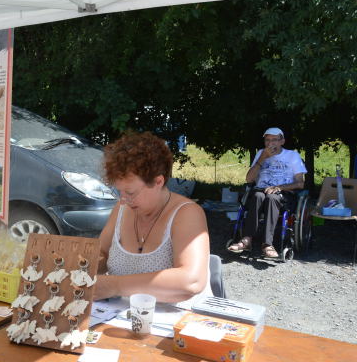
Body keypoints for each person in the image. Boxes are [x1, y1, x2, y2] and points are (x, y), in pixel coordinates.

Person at [94, 132, 212, 307]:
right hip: (124, 319)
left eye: (131, 192)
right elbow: (102, 253)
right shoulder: (122, 208)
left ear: (158, 181)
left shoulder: (187, 213)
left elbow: (191, 281)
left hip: (179, 325)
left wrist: (114, 285)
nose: (123, 199)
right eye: (120, 191)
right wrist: (77, 270)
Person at [227, 127, 306, 258]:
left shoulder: (292, 156)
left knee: (272, 198)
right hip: (261, 190)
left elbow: (300, 183)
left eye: (274, 140)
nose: (270, 143)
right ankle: (247, 239)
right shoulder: (261, 153)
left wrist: (280, 187)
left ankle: (267, 244)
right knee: (257, 196)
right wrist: (262, 158)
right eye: (267, 140)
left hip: (283, 193)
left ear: (282, 141)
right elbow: (249, 179)